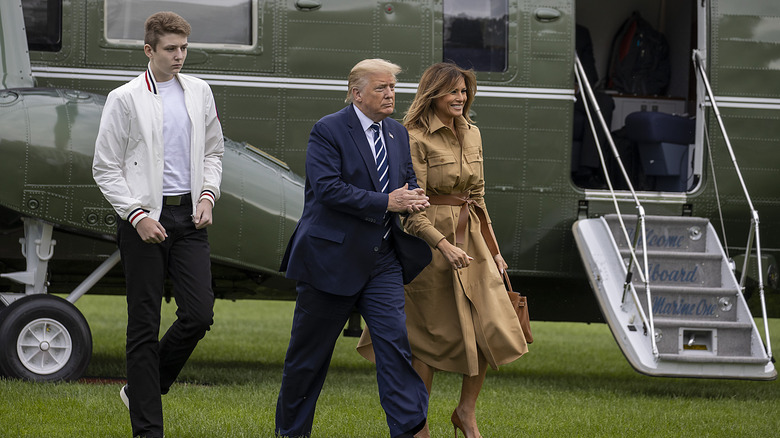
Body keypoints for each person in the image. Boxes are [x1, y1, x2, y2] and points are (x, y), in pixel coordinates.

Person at [358, 62, 528, 438]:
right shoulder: (412, 136)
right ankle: (419, 425)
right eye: (453, 91)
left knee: (490, 325)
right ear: (434, 93)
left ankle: (466, 413)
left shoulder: (474, 133)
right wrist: (443, 245)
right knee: (427, 337)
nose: (460, 98)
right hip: (430, 244)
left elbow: (478, 197)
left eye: (464, 91)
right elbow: (411, 207)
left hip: (475, 241)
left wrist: (494, 248)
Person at [275, 58, 432, 438]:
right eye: (381, 88)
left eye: (393, 87)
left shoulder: (397, 132)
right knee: (307, 362)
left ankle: (412, 432)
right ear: (356, 93)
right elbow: (327, 189)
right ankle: (291, 433)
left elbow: (404, 180)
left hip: (383, 262)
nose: (390, 94)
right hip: (330, 261)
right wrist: (387, 202)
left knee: (395, 350)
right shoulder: (328, 130)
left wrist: (413, 197)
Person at [92, 11, 224, 438]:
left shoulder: (200, 92)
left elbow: (214, 153)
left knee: (199, 315)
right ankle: (148, 430)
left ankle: (144, 386)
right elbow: (105, 167)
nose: (180, 56)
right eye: (171, 49)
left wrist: (208, 195)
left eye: (184, 48)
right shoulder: (124, 97)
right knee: (143, 325)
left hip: (190, 217)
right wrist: (138, 216)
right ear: (149, 50)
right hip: (143, 221)